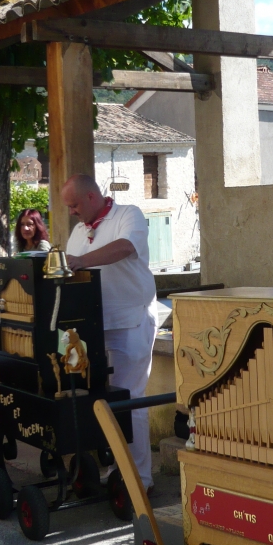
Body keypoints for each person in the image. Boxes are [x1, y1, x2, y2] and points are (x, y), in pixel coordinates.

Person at [61, 174, 157, 492]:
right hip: (93, 328)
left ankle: (140, 480)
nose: (71, 212)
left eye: (74, 205)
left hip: (131, 320)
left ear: (91, 196)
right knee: (102, 401)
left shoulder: (128, 214)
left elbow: (125, 247)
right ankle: (118, 470)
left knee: (129, 400)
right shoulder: (78, 231)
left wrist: (81, 261)